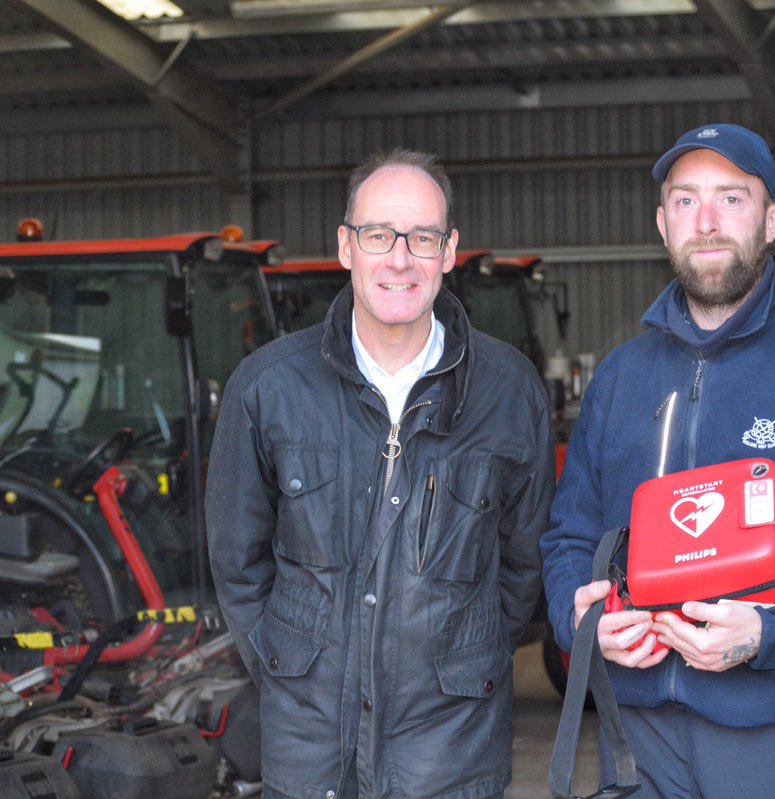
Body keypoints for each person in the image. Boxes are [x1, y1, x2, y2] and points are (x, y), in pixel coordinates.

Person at [540, 124, 775, 798]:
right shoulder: (621, 377)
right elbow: (571, 535)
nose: (708, 222)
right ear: (662, 225)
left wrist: (770, 632)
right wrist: (586, 619)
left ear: (773, 219)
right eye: (686, 202)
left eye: (731, 198)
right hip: (638, 731)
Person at [206, 147, 555, 799]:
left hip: (451, 754)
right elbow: (237, 559)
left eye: (421, 237)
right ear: (346, 245)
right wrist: (293, 666)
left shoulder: (509, 390)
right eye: (378, 235)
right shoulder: (268, 387)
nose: (399, 258)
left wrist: (463, 657)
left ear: (449, 250)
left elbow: (524, 561)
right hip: (311, 755)